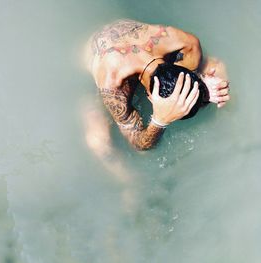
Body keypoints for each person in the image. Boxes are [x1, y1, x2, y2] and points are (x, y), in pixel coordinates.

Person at [81, 19, 230, 212]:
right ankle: (130, 184)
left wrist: (201, 86)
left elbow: (199, 72)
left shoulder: (186, 44)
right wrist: (160, 119)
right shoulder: (114, 83)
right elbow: (138, 145)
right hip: (97, 69)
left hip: (141, 50)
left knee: (217, 68)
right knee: (97, 140)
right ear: (151, 97)